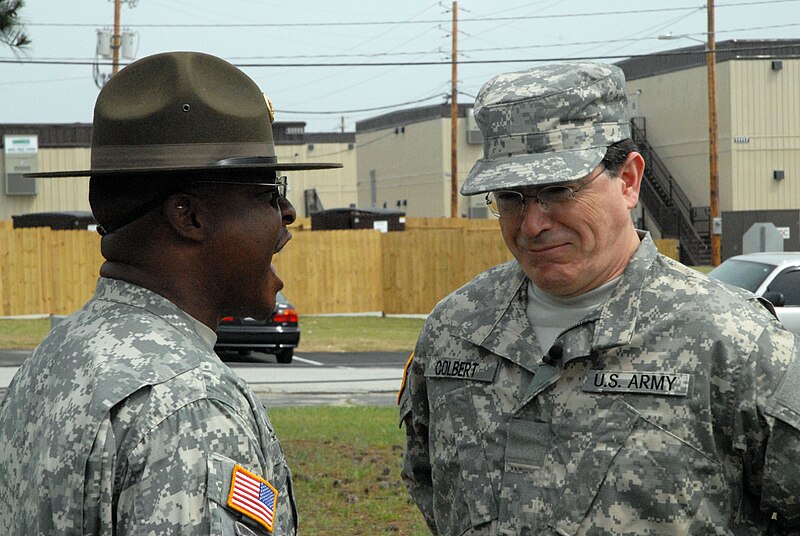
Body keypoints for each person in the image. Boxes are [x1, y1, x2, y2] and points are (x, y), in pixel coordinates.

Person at [398, 61, 800, 535]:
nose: (532, 224)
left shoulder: (734, 343)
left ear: (628, 180)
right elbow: (430, 485)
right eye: (510, 197)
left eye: (558, 190)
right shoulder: (455, 330)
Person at [0, 51, 341, 535]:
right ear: (189, 217)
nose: (287, 212)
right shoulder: (187, 404)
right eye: (267, 192)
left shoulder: (54, 356)